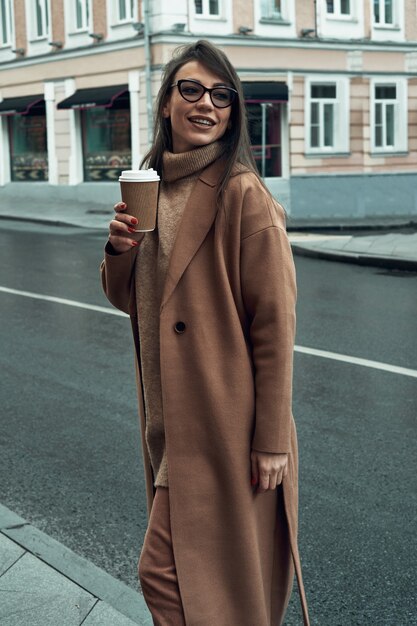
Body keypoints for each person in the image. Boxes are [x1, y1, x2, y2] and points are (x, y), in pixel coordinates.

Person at [101, 39, 310, 626]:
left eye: (222, 95)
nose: (206, 104)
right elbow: (130, 300)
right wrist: (120, 251)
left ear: (233, 111)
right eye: (190, 89)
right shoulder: (150, 184)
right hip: (170, 418)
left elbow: (275, 323)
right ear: (166, 102)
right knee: (201, 580)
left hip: (224, 421)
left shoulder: (244, 195)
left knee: (167, 576)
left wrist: (271, 438)